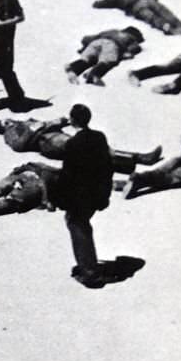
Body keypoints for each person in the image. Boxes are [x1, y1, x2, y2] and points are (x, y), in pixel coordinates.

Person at [50, 104, 113, 288]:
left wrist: (58, 198)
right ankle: (87, 265)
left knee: (78, 226)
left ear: (72, 120)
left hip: (79, 196)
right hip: (97, 194)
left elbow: (67, 174)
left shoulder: (73, 143)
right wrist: (105, 194)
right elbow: (107, 167)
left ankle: (90, 273)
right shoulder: (99, 137)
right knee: (82, 225)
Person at [0, 116, 161, 173]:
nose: (9, 121)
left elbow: (44, 124)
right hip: (48, 142)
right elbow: (19, 145)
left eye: (7, 120)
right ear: (3, 128)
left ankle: (130, 164)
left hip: (55, 136)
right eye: (5, 123)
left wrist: (59, 121)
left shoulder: (24, 122)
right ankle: (141, 159)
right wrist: (40, 127)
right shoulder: (10, 134)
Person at [64, 27, 144, 85]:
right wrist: (128, 54)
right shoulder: (131, 39)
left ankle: (73, 69)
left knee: (88, 58)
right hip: (112, 45)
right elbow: (135, 48)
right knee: (107, 61)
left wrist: (84, 47)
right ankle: (94, 74)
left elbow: (92, 37)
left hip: (96, 42)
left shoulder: (112, 31)